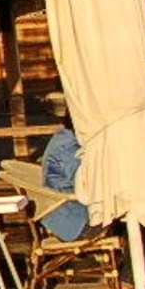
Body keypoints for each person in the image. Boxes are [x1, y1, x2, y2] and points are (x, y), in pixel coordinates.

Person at [35, 95, 92, 242]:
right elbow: (89, 186)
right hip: (75, 223)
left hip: (62, 217)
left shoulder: (64, 138)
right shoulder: (69, 149)